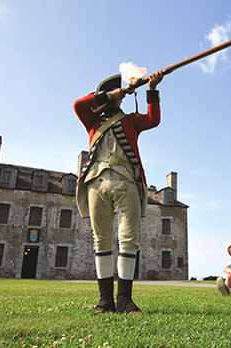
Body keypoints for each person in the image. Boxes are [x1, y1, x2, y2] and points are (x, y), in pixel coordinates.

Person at [73, 71, 164, 314]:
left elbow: (153, 120)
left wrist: (152, 89)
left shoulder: (130, 120)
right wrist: (108, 95)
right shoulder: (91, 121)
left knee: (128, 241)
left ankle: (124, 300)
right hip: (95, 183)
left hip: (127, 183)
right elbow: (78, 104)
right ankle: (105, 300)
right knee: (101, 241)